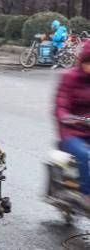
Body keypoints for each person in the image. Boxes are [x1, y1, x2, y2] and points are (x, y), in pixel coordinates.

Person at [55, 40, 90, 197]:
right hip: (72, 132)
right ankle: (87, 195)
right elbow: (61, 106)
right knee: (84, 155)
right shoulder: (69, 77)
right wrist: (68, 118)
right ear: (83, 61)